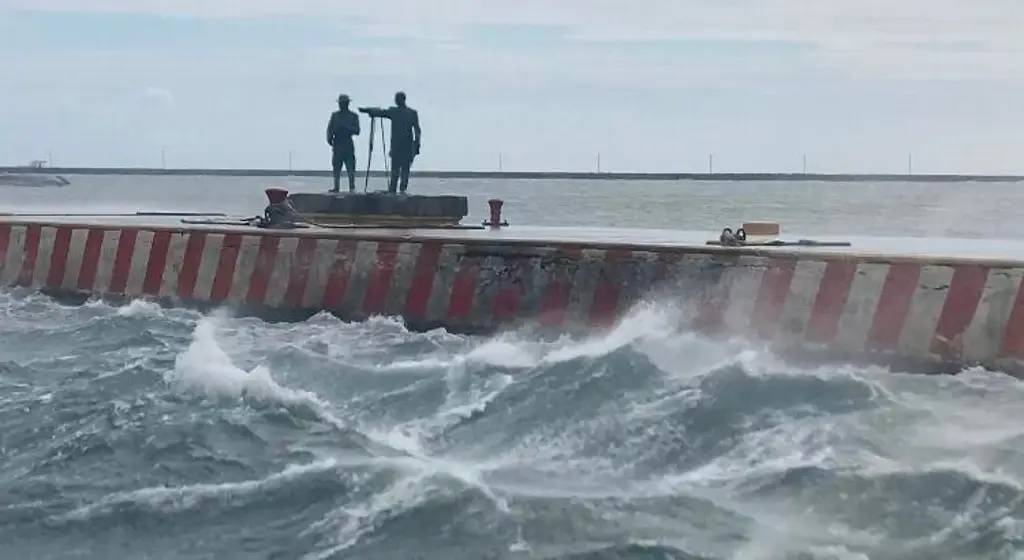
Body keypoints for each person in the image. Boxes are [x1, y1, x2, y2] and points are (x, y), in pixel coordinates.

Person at [359, 91, 421, 194]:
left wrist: (368, 111)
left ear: (399, 100)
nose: (396, 101)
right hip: (405, 146)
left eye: (396, 99)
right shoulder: (411, 113)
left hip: (400, 146)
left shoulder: (396, 112)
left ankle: (395, 190)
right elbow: (417, 131)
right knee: (403, 170)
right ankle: (400, 190)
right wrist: (417, 144)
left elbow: (381, 112)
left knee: (397, 170)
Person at [326, 94, 361, 192]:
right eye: (341, 103)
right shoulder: (335, 116)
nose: (342, 105)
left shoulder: (353, 116)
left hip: (348, 144)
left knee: (350, 167)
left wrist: (347, 128)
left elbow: (357, 131)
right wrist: (329, 138)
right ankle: (336, 187)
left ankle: (352, 186)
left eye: (344, 103)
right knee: (336, 167)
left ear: (347, 104)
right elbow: (330, 128)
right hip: (337, 143)